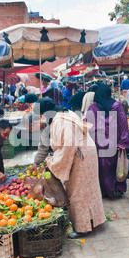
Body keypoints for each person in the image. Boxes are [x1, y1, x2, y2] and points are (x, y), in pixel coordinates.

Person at [33, 98, 106, 239]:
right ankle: (93, 220)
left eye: (40, 115)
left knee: (78, 191)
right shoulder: (64, 113)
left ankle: (82, 228)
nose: (40, 119)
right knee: (88, 188)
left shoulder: (60, 120)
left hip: (80, 156)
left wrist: (52, 161)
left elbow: (67, 147)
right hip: (85, 153)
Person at [86, 83, 129, 198]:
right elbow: (123, 124)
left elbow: (87, 126)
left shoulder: (92, 107)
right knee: (114, 166)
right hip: (113, 142)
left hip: (98, 143)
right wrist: (123, 141)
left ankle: (103, 191)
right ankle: (115, 188)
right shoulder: (116, 105)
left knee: (101, 168)